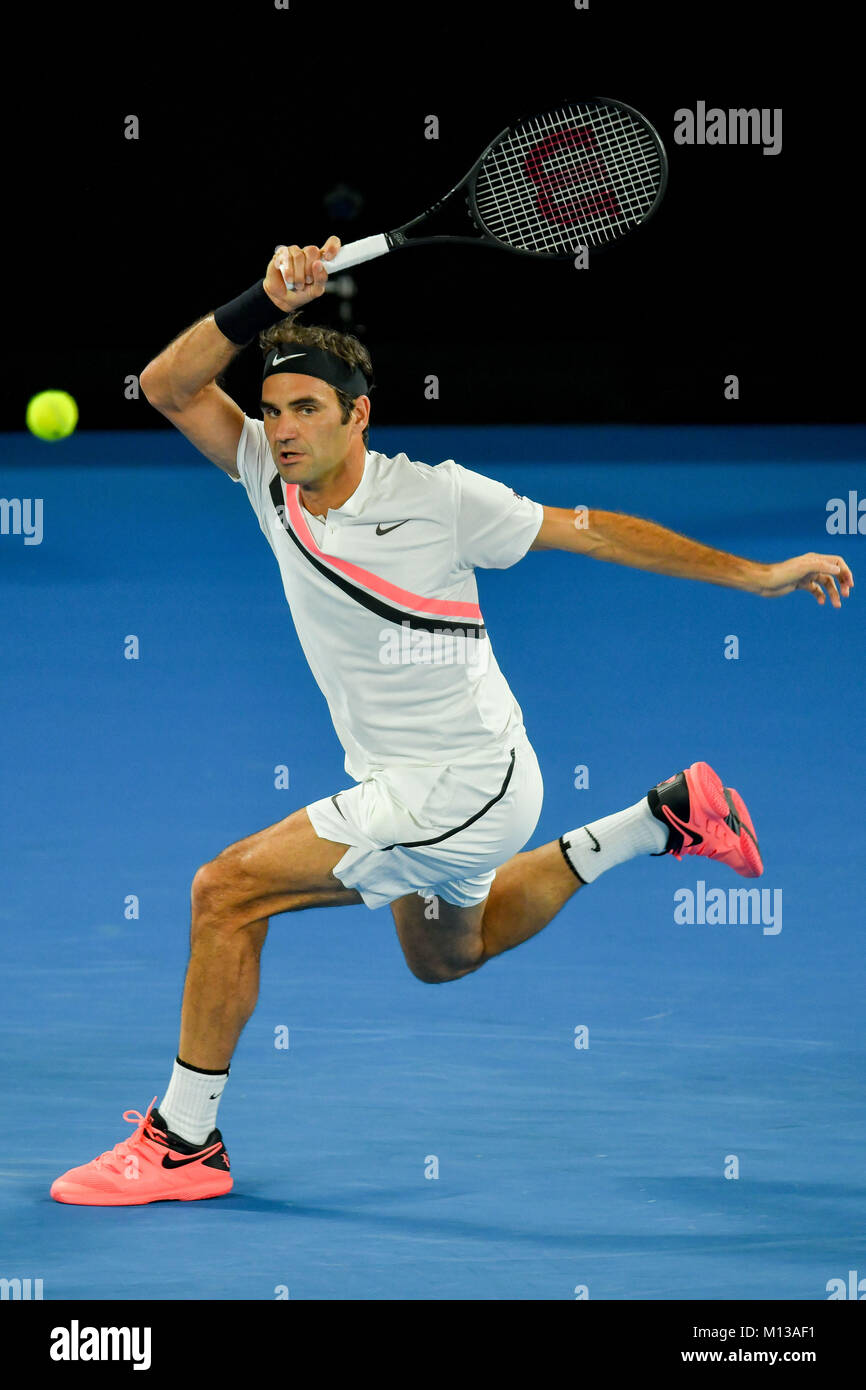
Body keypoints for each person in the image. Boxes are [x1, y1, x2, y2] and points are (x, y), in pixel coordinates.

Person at [50, 237, 854, 1205]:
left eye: (306, 409)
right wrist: (257, 302)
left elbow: (589, 528)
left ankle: (183, 1141)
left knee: (225, 890)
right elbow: (166, 384)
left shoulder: (435, 497)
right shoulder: (269, 476)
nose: (283, 428)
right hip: (455, 782)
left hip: (461, 784)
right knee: (445, 956)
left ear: (359, 415)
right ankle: (659, 818)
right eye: (270, 410)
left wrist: (756, 573)